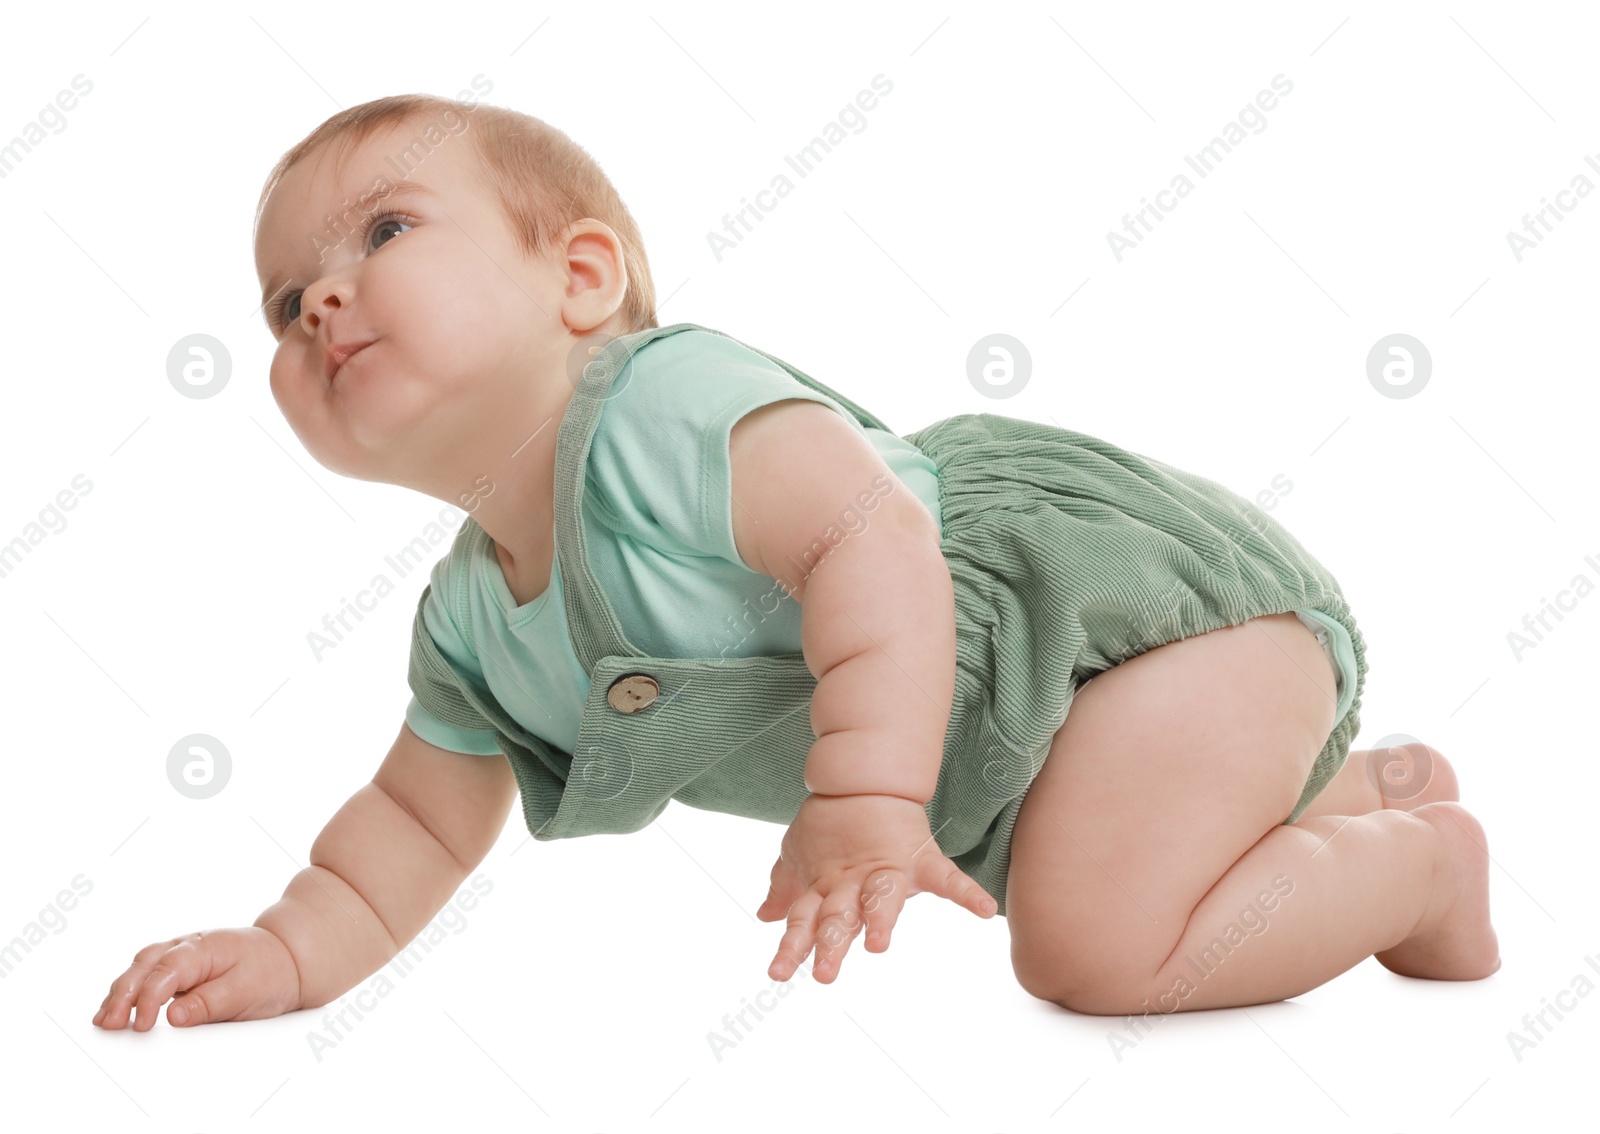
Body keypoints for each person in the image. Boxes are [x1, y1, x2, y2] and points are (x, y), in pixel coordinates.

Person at [92, 93, 1498, 1032]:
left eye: (383, 230)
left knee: (1090, 948)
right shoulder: (472, 622)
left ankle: (1421, 867)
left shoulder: (665, 406)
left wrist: (869, 797)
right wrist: (285, 956)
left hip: (1140, 635)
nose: (320, 297)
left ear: (579, 281)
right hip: (1047, 759)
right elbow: (405, 828)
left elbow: (869, 539)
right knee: (1090, 864)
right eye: (284, 301)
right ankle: (1338, 795)